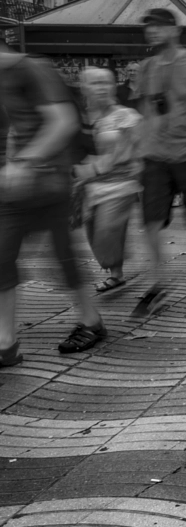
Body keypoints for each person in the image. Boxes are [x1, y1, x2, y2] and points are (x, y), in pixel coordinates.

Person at [0, 47, 107, 363]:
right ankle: (5, 342)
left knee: (62, 256)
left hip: (45, 180)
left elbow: (63, 121)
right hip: (11, 185)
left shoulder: (30, 68)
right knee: (4, 256)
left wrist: (24, 162)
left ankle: (91, 321)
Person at [134, 8, 186, 314]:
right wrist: (139, 151)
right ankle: (159, 281)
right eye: (148, 27)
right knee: (151, 220)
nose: (152, 31)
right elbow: (146, 110)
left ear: (175, 29)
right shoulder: (146, 67)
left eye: (158, 26)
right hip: (156, 156)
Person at [76, 67, 143, 294]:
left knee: (107, 230)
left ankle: (115, 260)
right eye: (95, 83)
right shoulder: (79, 117)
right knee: (94, 233)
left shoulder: (126, 115)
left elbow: (136, 146)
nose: (102, 87)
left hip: (121, 184)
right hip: (89, 186)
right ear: (84, 87)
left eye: (106, 82)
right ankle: (117, 274)